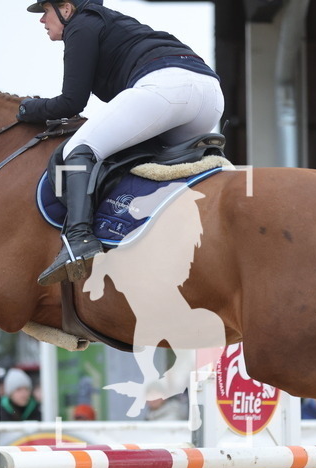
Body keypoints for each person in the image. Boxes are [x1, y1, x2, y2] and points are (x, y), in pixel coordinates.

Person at [19, 0, 224, 286]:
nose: (42, 20)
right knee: (138, 161)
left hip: (166, 88)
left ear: (66, 9)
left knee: (76, 151)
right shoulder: (111, 23)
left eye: (45, 11)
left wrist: (27, 109)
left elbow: (71, 102)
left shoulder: (81, 24)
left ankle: (78, 240)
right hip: (210, 98)